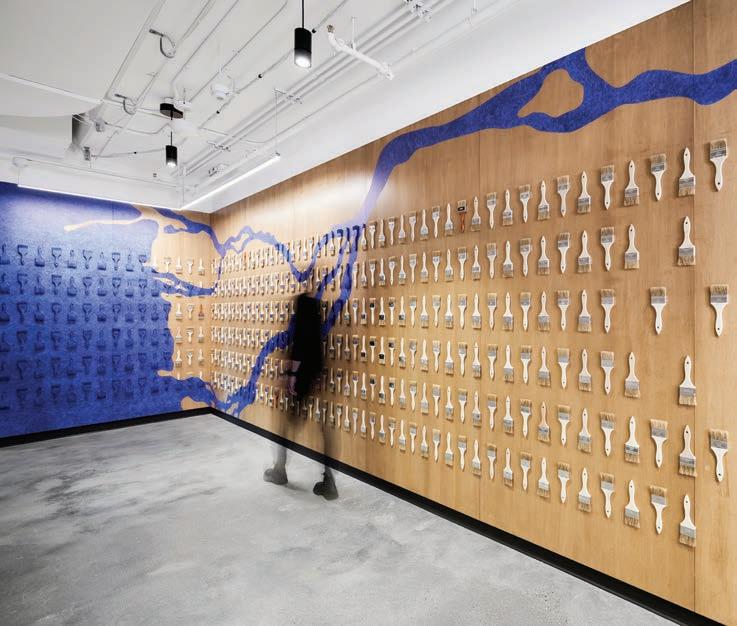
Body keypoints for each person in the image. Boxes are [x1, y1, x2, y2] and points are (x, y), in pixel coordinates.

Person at [263, 292, 338, 499]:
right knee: (324, 428)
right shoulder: (316, 324)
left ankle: (279, 470)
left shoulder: (302, 325)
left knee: (285, 425)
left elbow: (299, 349)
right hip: (315, 376)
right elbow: (315, 353)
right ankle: (329, 481)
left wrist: (293, 376)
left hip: (303, 378)